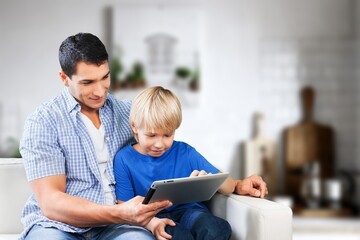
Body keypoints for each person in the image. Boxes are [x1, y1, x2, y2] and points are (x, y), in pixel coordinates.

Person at [19, 33, 172, 240]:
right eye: (88, 82)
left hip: (120, 227)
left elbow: (163, 151)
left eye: (105, 77)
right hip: (56, 225)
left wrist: (193, 174)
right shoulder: (43, 121)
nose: (99, 91)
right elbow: (51, 203)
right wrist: (121, 213)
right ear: (64, 78)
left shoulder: (129, 113)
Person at [114, 86, 268, 240]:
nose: (159, 144)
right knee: (179, 236)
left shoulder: (185, 152)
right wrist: (152, 223)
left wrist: (206, 181)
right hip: (154, 218)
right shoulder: (124, 159)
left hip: (190, 212)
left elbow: (227, 186)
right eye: (151, 135)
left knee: (216, 229)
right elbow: (126, 208)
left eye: (168, 135)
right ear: (134, 127)